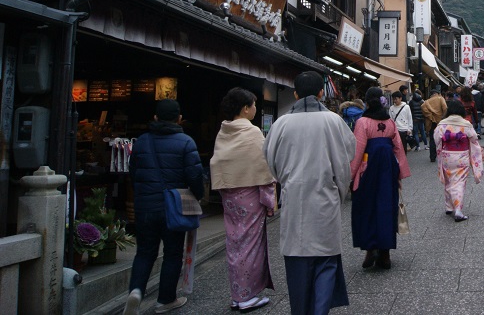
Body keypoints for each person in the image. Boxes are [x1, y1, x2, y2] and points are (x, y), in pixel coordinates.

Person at [264, 71, 355, 314]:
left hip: (293, 198)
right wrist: (340, 193)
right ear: (321, 93)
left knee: (297, 260)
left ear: (295, 94)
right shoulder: (334, 121)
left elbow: (270, 161)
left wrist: (287, 181)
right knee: (326, 261)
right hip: (325, 197)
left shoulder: (281, 123)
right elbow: (345, 162)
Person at [124, 99, 204, 315]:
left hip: (145, 206)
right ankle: (166, 299)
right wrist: (198, 196)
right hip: (174, 207)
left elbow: (134, 174)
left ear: (156, 118)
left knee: (144, 252)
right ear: (179, 118)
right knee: (172, 253)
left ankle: (136, 291)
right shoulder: (186, 142)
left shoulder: (141, 141)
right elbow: (195, 176)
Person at [210, 87, 276, 312]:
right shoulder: (252, 132)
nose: (256, 109)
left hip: (229, 194)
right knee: (250, 244)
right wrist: (269, 199)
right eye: (254, 105)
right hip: (249, 194)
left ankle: (237, 294)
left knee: (235, 242)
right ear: (246, 108)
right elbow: (262, 166)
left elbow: (218, 162)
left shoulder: (223, 131)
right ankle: (246, 296)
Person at [349, 87, 411, 270]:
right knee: (386, 206)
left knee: (367, 207)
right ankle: (385, 253)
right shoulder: (390, 122)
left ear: (367, 102)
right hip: (387, 169)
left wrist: (350, 175)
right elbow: (398, 148)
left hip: (366, 169)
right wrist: (400, 172)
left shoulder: (363, 122)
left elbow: (358, 150)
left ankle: (370, 248)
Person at [434, 101, 483, 221]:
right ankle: (458, 211)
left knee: (449, 180)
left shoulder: (442, 124)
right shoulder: (466, 124)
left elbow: (436, 139)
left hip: (447, 155)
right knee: (459, 182)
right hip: (462, 156)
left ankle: (449, 206)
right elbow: (474, 138)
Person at [422, 88, 447, 162]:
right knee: (443, 138)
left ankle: (432, 157)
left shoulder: (426, 102)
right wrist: (443, 116)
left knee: (432, 139)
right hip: (440, 122)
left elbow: (423, 108)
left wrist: (431, 116)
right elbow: (445, 108)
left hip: (431, 122)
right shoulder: (440, 99)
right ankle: (443, 155)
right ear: (437, 94)